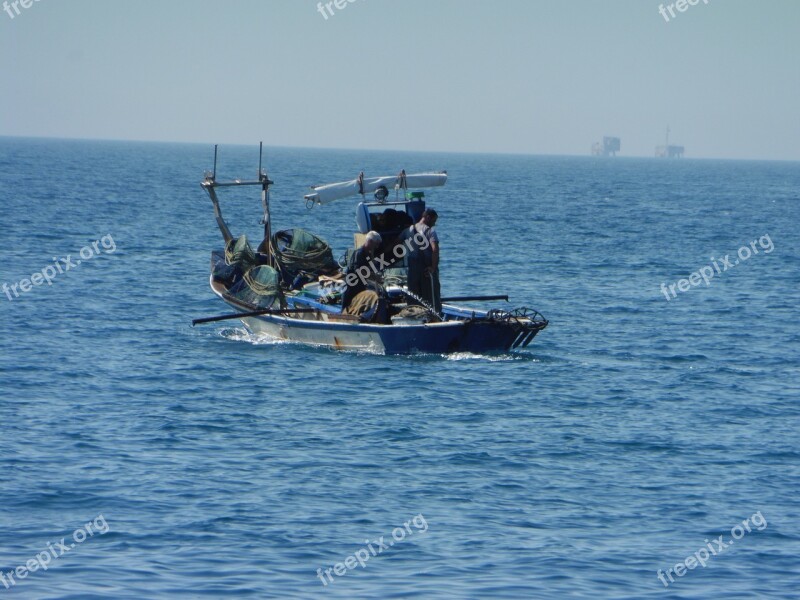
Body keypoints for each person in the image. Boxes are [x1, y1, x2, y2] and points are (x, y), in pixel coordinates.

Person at [404, 209, 441, 312]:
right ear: (428, 217)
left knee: (413, 297)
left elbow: (395, 242)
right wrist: (433, 268)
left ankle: (413, 317)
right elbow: (435, 249)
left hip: (412, 272)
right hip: (426, 271)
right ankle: (435, 318)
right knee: (432, 299)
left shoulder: (408, 230)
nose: (434, 224)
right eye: (434, 221)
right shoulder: (430, 231)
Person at [341, 231, 382, 312]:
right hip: (351, 286)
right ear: (370, 242)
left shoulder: (368, 254)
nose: (377, 246)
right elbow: (360, 271)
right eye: (376, 244)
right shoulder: (359, 253)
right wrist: (374, 277)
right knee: (346, 308)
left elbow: (370, 267)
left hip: (360, 286)